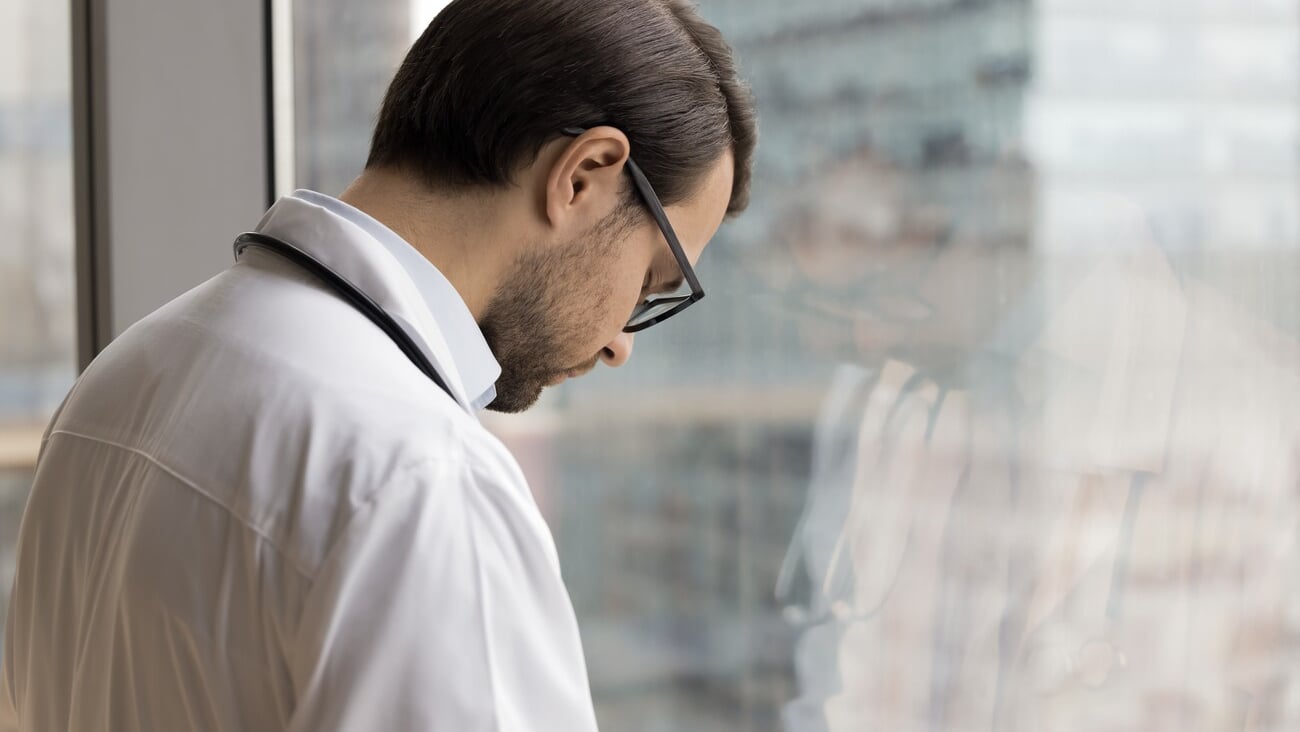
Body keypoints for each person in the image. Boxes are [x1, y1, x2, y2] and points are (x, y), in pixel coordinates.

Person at [0, 0, 756, 729]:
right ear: (583, 174)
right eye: (649, 281)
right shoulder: (424, 481)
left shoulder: (118, 379)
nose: (621, 343)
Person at [776, 153, 1300, 731]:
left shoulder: (1255, 423)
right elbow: (846, 692)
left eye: (877, 290)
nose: (868, 342)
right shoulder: (897, 396)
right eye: (837, 303)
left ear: (997, 210)